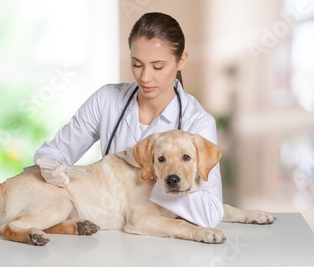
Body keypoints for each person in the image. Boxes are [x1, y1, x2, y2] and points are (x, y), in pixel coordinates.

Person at [34, 12, 224, 228]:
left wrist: (153, 175)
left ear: (181, 61)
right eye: (137, 64)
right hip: (108, 233)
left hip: (165, 242)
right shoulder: (106, 100)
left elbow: (211, 212)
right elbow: (54, 152)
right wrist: (48, 165)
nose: (145, 77)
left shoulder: (197, 122)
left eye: (158, 66)